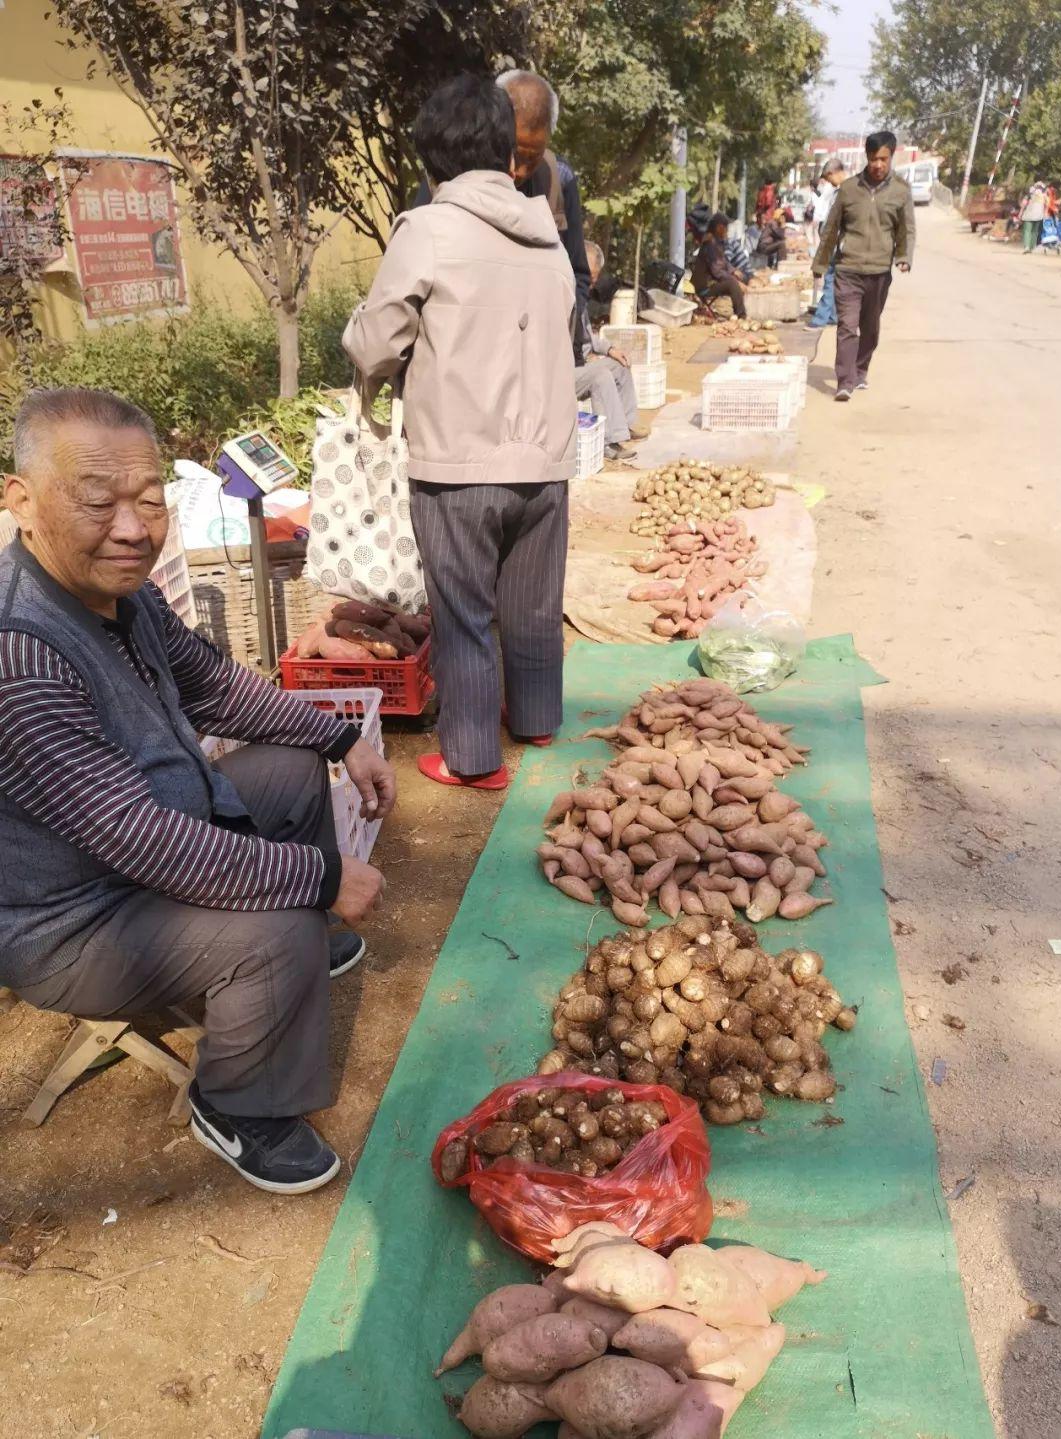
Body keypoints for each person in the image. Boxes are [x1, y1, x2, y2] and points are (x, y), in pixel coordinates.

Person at [0, 386, 395, 1194]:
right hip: (73, 918)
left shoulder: (124, 592)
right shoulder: (22, 659)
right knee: (278, 921)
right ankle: (239, 1106)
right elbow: (144, 842)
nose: (132, 528)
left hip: (143, 842)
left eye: (150, 500)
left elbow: (213, 684)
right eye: (98, 501)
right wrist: (320, 880)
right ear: (22, 502)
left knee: (286, 768)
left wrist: (339, 736)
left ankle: (288, 958)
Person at [343, 75, 576, 792]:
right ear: (507, 150)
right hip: (546, 458)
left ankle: (473, 757)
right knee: (533, 604)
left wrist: (368, 350)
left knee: (465, 612)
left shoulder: (429, 230)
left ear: (432, 156)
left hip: (459, 463)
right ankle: (535, 717)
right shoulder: (546, 233)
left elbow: (378, 338)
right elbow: (563, 329)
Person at [413, 70, 589, 362]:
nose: (517, 171)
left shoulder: (560, 179)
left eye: (531, 158)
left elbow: (577, 276)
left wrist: (556, 341)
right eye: (513, 153)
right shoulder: (447, 177)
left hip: (537, 361)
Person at [813, 130, 915, 402]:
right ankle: (844, 381)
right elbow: (831, 230)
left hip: (880, 272)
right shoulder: (848, 190)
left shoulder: (901, 190)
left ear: (891, 156)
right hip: (848, 270)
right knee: (847, 326)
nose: (878, 165)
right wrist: (820, 264)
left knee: (870, 328)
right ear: (866, 158)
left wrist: (904, 256)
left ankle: (860, 370)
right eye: (873, 159)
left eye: (883, 159)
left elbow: (906, 229)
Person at [576, 241, 646, 461]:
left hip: (580, 364)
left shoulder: (580, 297)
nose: (593, 282)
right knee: (601, 376)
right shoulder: (564, 297)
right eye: (591, 276)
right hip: (561, 372)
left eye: (595, 277)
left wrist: (610, 349)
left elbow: (588, 337)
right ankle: (609, 442)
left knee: (620, 364)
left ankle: (625, 425)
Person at [806, 159, 846, 330]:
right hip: (832, 241)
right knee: (833, 280)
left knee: (830, 279)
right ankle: (833, 315)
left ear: (835, 173)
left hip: (837, 243)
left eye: (829, 178)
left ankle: (820, 319)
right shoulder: (836, 191)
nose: (828, 182)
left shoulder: (846, 192)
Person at [690, 213, 748, 319]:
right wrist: (736, 281)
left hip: (711, 283)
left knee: (737, 278)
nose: (727, 231)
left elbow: (723, 262)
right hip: (704, 287)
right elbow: (717, 271)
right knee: (732, 283)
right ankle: (741, 316)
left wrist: (734, 271)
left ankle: (740, 313)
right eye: (726, 227)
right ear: (719, 227)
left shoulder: (716, 242)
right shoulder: (710, 244)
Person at [1020, 181, 1048, 253]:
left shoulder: (1030, 194)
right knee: (1034, 232)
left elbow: (1023, 203)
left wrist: (1020, 212)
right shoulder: (1044, 196)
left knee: (1027, 231)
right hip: (1038, 215)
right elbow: (1046, 205)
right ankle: (1032, 247)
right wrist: (1045, 214)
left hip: (1028, 215)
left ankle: (1027, 247)